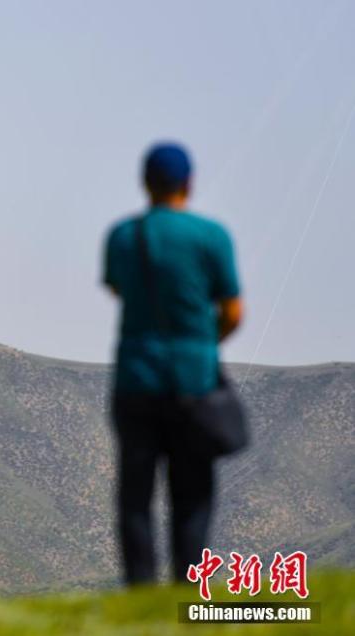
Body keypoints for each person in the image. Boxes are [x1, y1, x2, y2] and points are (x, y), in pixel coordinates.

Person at [102, 143, 243, 584]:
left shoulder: (124, 236)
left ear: (145, 183)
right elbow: (233, 311)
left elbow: (118, 288)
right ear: (189, 182)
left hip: (137, 378)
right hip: (193, 381)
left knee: (135, 496)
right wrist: (203, 341)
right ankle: (188, 589)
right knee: (193, 495)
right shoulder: (211, 237)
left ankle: (142, 593)